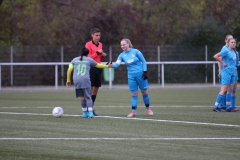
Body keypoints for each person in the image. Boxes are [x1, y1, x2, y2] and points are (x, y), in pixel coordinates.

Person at [110, 38, 153, 117]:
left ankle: (148, 109)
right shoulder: (122, 55)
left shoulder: (136, 51)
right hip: (131, 76)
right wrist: (111, 65)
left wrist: (145, 71)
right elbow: (116, 64)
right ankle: (133, 112)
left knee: (144, 92)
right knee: (134, 93)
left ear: (128, 44)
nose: (122, 46)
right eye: (121, 45)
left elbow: (143, 61)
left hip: (140, 74)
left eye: (124, 44)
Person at [66, 46, 109, 118]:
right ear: (88, 53)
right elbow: (98, 65)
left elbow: (69, 70)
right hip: (85, 80)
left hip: (76, 80)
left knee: (82, 97)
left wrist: (68, 80)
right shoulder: (89, 60)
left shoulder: (74, 60)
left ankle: (84, 113)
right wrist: (108, 66)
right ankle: (90, 113)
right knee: (88, 97)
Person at [85, 28, 107, 116]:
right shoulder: (88, 44)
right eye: (96, 35)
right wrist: (98, 52)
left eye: (99, 35)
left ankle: (91, 108)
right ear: (92, 35)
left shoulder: (100, 44)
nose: (98, 37)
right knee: (90, 89)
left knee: (96, 89)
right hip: (91, 68)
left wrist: (103, 55)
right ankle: (86, 109)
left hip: (99, 67)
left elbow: (98, 58)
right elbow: (89, 58)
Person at [213, 38, 237, 112]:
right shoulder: (226, 51)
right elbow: (216, 56)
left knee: (230, 89)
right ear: (228, 43)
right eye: (232, 42)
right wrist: (223, 63)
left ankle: (228, 106)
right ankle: (216, 106)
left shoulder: (234, 51)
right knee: (223, 90)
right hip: (226, 72)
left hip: (232, 72)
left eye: (234, 42)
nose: (233, 43)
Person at [218, 34, 233, 110]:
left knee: (228, 89)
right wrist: (220, 71)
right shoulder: (224, 48)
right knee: (223, 89)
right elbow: (219, 59)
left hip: (229, 71)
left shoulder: (231, 49)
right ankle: (221, 105)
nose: (231, 40)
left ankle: (227, 106)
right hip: (224, 71)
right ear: (226, 40)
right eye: (229, 39)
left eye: (232, 39)